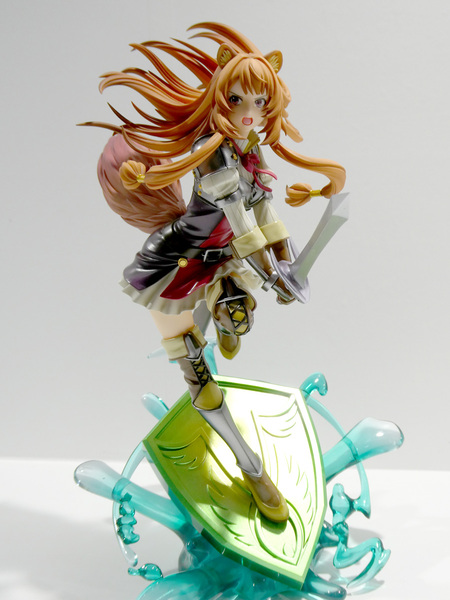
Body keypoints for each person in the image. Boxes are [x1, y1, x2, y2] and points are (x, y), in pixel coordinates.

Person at [85, 22, 346, 523]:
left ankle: (227, 318)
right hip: (177, 264)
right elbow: (240, 220)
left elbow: (264, 212)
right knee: (201, 380)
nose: (250, 113)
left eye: (260, 104)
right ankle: (253, 470)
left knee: (237, 313)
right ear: (220, 99)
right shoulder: (212, 154)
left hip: (223, 256)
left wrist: (286, 262)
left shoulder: (251, 152)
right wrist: (271, 273)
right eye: (238, 100)